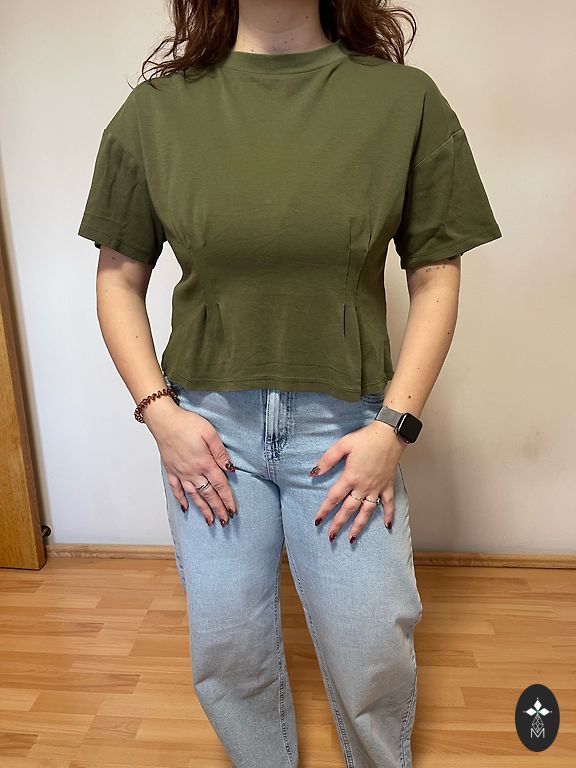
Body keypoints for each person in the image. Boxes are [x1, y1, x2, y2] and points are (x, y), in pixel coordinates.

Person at [77, 1, 502, 766]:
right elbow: (117, 278)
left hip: (346, 432)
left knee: (371, 649)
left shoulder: (403, 103)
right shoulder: (156, 113)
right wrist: (159, 414)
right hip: (208, 433)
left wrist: (393, 429)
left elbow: (436, 275)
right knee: (227, 649)